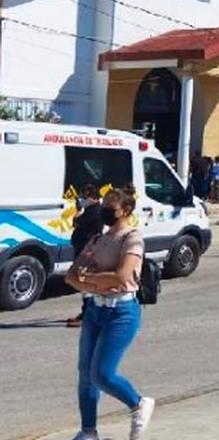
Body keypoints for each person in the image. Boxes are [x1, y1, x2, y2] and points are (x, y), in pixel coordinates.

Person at [64, 186, 156, 440]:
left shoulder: (132, 239)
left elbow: (122, 276)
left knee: (102, 374)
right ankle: (88, 431)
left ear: (125, 210)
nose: (104, 212)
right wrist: (97, 282)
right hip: (95, 310)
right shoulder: (97, 239)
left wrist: (89, 278)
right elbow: (72, 276)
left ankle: (138, 403)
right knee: (86, 374)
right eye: (103, 206)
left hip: (121, 312)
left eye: (110, 208)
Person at [67, 184, 104, 328]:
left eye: (85, 196)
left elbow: (76, 222)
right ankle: (86, 312)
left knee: (85, 282)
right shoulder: (90, 209)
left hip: (86, 250)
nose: (82, 199)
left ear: (93, 197)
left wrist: (78, 212)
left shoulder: (94, 211)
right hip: (83, 248)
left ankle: (87, 315)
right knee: (84, 283)